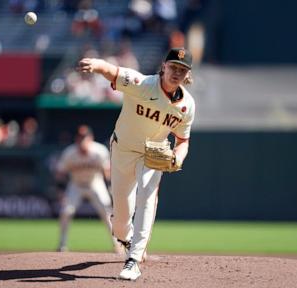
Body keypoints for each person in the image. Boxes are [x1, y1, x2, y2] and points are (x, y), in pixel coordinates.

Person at [77, 47, 195, 280]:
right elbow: (113, 72)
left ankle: (134, 258)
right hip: (122, 149)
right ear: (164, 66)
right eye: (173, 67)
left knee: (147, 198)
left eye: (182, 70)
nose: (176, 73)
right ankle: (126, 237)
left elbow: (183, 140)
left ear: (187, 75)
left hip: (152, 155)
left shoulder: (187, 106)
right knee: (121, 219)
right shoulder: (142, 84)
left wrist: (178, 157)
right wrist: (96, 64)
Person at [55, 124, 121, 253]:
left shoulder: (99, 151)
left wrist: (110, 190)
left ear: (90, 138)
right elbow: (60, 173)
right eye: (80, 138)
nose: (82, 140)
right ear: (76, 139)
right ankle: (62, 245)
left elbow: (107, 172)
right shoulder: (70, 153)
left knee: (107, 213)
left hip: (95, 184)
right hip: (76, 185)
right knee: (66, 212)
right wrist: (61, 192)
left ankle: (116, 245)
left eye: (84, 137)